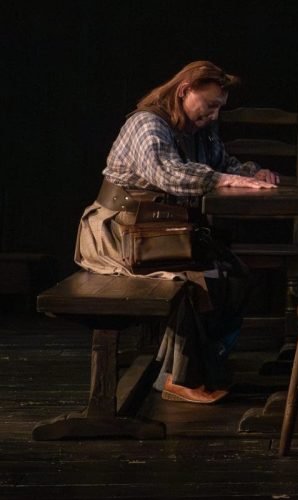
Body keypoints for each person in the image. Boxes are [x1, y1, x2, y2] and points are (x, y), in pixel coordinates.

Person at [75, 61, 278, 404]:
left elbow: (222, 163)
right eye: (210, 105)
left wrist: (254, 173)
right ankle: (178, 377)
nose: (214, 115)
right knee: (192, 279)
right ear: (185, 91)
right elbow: (169, 174)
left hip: (160, 231)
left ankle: (204, 362)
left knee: (234, 274)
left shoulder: (196, 128)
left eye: (219, 108)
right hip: (120, 233)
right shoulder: (148, 125)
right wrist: (224, 180)